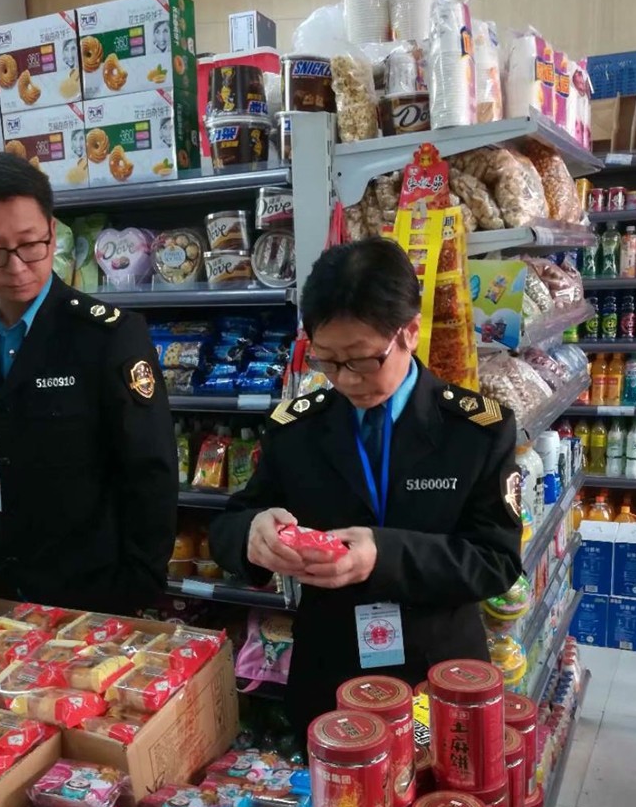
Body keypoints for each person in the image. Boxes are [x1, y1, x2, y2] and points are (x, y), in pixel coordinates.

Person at [210, 238, 523, 738]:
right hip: (331, 670)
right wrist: (252, 534)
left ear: (410, 333)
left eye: (361, 359)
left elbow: (497, 561)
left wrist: (383, 555)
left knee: (439, 782)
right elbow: (228, 524)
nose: (346, 380)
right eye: (327, 361)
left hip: (437, 673)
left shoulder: (475, 431)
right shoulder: (296, 430)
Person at [0, 152, 177, 617]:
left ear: (52, 232)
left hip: (92, 596)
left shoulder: (108, 337)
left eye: (30, 244)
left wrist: (134, 589)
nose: (17, 267)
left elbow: (151, 474)